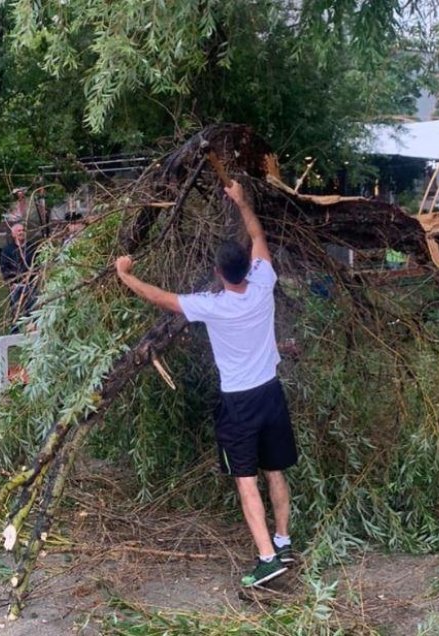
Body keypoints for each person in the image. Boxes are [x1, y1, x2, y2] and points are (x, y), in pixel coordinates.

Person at [114, 180, 298, 588]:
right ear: (248, 266)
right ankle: (283, 542)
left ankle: (268, 558)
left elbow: (162, 298)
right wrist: (241, 201)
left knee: (245, 479)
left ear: (217, 273)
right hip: (271, 393)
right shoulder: (265, 282)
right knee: (275, 471)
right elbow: (257, 235)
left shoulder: (211, 306)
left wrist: (126, 276)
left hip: (239, 405)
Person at [0, 222, 36, 330]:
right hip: (16, 285)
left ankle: (31, 332)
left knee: (32, 308)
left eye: (23, 230)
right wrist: (11, 283)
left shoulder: (32, 247)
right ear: (13, 234)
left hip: (31, 284)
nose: (21, 232)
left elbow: (38, 264)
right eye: (19, 231)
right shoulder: (8, 250)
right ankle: (14, 332)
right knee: (16, 308)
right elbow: (5, 268)